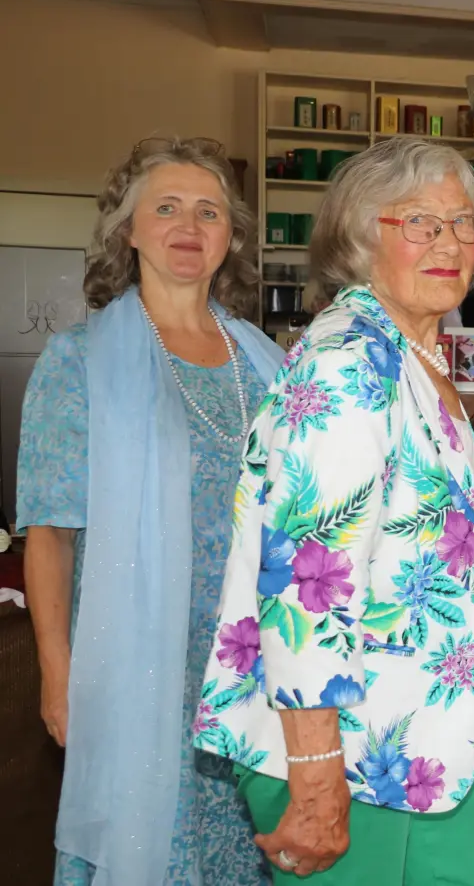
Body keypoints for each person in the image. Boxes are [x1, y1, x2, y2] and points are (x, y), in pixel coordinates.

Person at [192, 137, 474, 883]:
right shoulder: (351, 364)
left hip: (418, 754)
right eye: (420, 223)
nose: (451, 243)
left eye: (464, 222)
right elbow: (306, 586)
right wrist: (316, 780)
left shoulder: (414, 359)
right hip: (349, 758)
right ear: (358, 235)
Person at [17, 136, 285, 884]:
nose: (189, 225)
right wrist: (56, 672)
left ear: (230, 235)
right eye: (165, 208)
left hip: (256, 668)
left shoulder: (269, 363)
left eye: (209, 211)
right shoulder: (77, 363)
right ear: (127, 230)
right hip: (136, 666)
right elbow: (50, 533)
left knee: (250, 852)